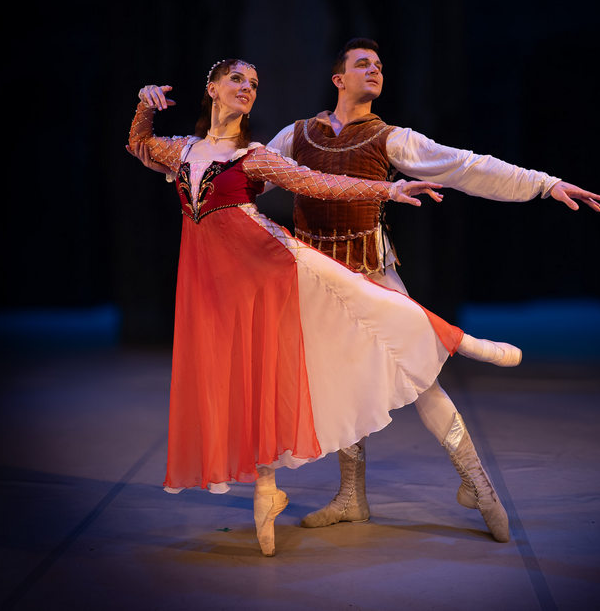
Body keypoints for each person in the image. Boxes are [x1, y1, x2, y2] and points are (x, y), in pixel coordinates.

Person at [127, 58, 524, 557]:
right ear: (212, 87)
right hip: (237, 280)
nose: (247, 88)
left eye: (254, 83)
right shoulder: (198, 149)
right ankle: (307, 493)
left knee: (384, 319)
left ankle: (463, 350)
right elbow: (141, 144)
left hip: (304, 261)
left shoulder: (265, 155)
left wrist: (391, 188)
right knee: (282, 375)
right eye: (237, 79)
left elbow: (322, 182)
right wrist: (144, 102)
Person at [262, 38, 600, 543]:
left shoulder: (390, 139)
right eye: (363, 64)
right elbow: (245, 178)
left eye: (380, 65)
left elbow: (466, 166)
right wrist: (191, 171)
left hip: (372, 273)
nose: (375, 70)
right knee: (340, 382)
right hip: (318, 280)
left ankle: (476, 481)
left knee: (421, 373)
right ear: (338, 79)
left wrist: (544, 183)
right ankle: (352, 496)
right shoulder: (296, 136)